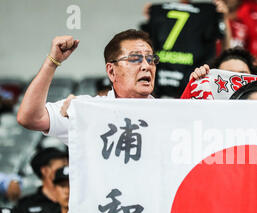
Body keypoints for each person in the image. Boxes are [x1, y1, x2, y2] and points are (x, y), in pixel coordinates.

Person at [17, 29, 158, 146]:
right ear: (111, 71)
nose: (146, 66)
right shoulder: (87, 112)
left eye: (151, 59)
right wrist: (52, 62)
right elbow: (30, 118)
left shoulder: (167, 113)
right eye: (135, 59)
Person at [140, 0, 229, 98]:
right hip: (170, 87)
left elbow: (226, 51)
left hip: (177, 84)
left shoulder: (209, 10)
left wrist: (223, 18)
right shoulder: (207, 11)